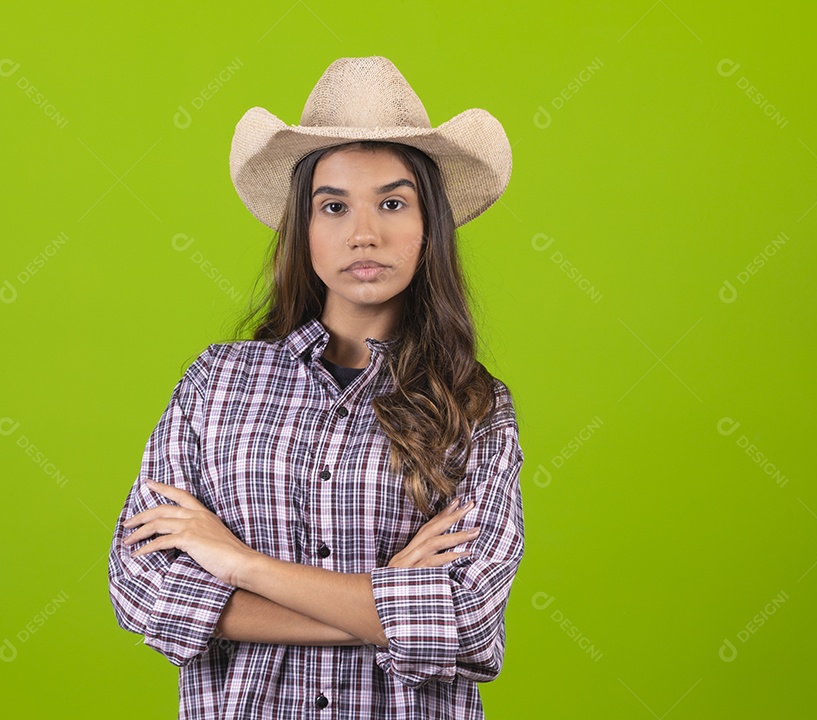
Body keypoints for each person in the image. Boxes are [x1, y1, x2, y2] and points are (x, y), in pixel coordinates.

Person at [108, 55, 525, 719]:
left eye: (392, 202)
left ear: (429, 227)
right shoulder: (216, 386)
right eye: (334, 206)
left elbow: (469, 620)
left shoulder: (475, 408)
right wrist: (388, 601)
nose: (364, 233)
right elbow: (145, 592)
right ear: (303, 229)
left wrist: (239, 564)